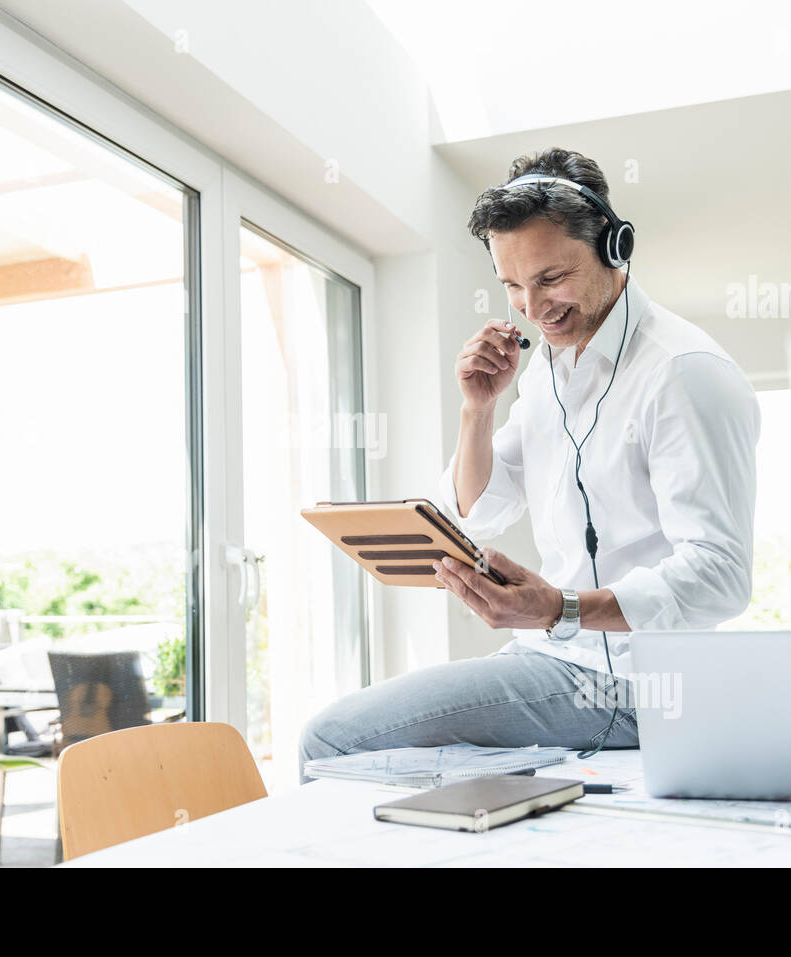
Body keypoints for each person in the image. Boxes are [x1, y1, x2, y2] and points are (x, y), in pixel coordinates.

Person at [297, 147, 760, 784]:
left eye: (550, 279)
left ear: (614, 246)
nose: (533, 308)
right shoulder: (548, 366)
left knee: (330, 738)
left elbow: (721, 578)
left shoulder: (682, 373)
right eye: (513, 285)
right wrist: (477, 409)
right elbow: (479, 510)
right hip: (560, 656)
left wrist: (561, 609)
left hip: (639, 681)